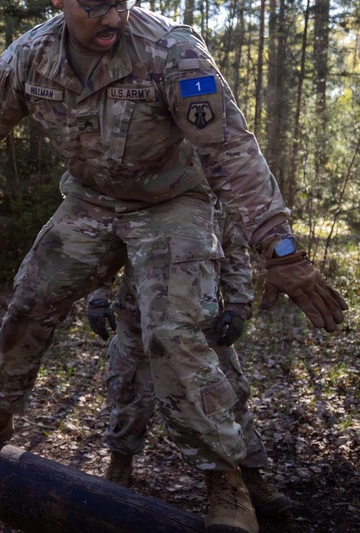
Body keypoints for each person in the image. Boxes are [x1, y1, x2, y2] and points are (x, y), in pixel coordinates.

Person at [0, 0, 346, 533]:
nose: (113, 19)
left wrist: (279, 248)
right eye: (96, 6)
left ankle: (225, 481)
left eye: (122, 2)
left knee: (174, 330)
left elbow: (231, 153)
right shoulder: (31, 56)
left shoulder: (171, 53)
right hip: (92, 203)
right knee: (30, 298)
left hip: (172, 202)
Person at [86, 200, 292, 518]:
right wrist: (97, 296)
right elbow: (105, 248)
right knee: (130, 398)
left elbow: (235, 253)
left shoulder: (214, 197)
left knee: (230, 397)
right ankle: (119, 468)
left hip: (202, 324)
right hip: (138, 321)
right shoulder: (134, 191)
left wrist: (238, 305)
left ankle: (249, 479)